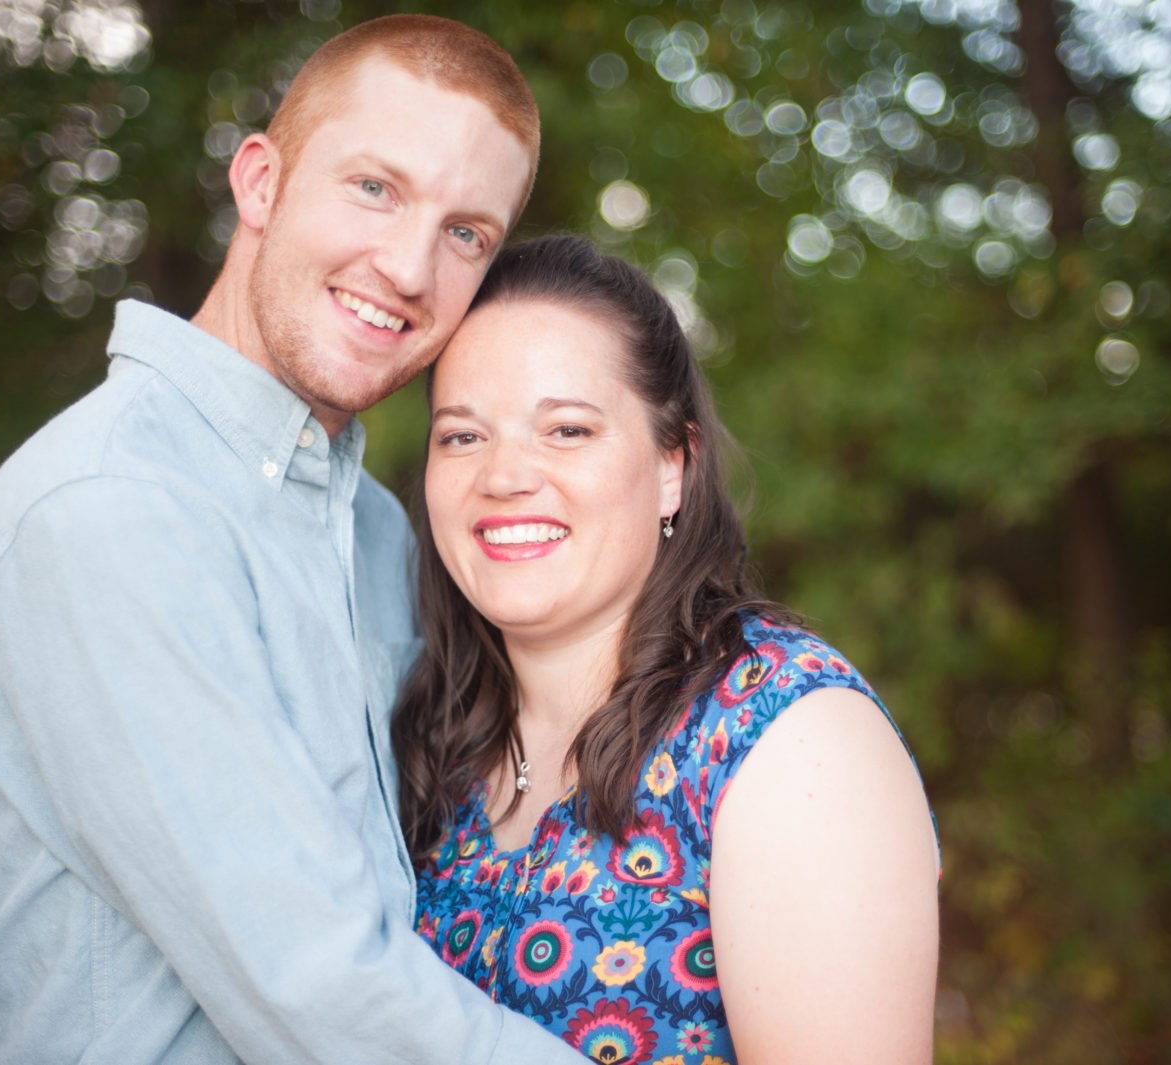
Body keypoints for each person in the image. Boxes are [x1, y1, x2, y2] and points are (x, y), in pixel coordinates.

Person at [0, 15, 583, 1065]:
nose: (408, 266)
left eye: (466, 234)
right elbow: (317, 986)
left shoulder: (374, 533)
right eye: (375, 188)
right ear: (262, 183)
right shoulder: (110, 509)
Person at [393, 234, 942, 1064]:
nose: (504, 475)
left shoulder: (788, 739)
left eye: (568, 429)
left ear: (674, 464)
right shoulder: (431, 732)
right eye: (462, 436)